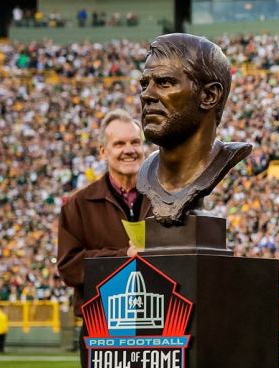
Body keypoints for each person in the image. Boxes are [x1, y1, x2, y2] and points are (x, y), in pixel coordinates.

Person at [136, 33, 252, 223]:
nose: (146, 95)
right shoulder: (145, 174)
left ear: (209, 96)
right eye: (144, 84)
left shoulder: (222, 160)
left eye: (164, 82)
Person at [57, 109, 150, 314]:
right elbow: (69, 268)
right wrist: (123, 257)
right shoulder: (78, 205)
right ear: (103, 152)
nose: (129, 150)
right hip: (103, 322)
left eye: (135, 142)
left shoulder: (168, 199)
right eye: (119, 144)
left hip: (161, 319)